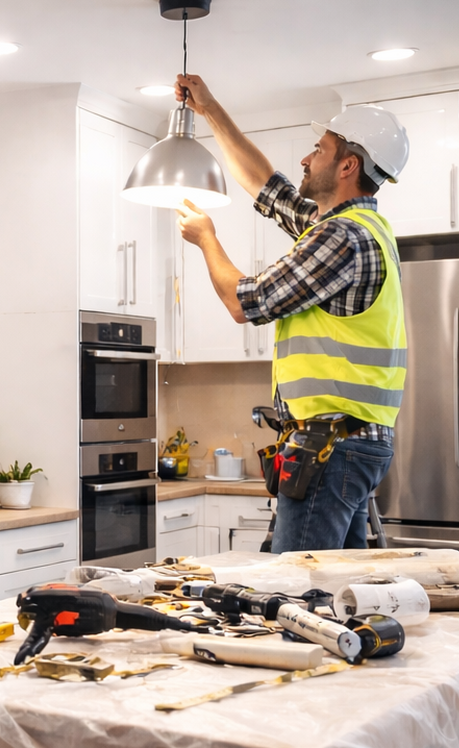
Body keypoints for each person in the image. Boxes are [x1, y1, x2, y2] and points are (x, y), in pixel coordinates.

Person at [170, 74, 410, 552]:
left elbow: (244, 302)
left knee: (298, 590)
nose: (305, 158)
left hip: (333, 446)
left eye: (317, 149)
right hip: (347, 441)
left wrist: (206, 238)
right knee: (338, 588)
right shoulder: (353, 227)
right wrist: (210, 108)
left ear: (348, 164)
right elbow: (266, 187)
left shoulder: (342, 238)